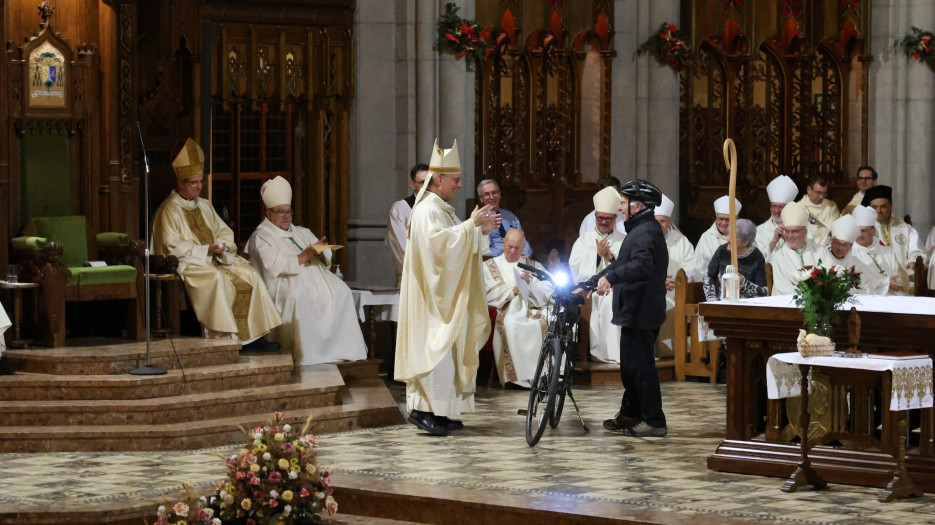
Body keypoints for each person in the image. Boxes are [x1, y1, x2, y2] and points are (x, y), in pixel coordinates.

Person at [395, 139, 499, 437]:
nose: (460, 184)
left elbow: (456, 241)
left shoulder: (443, 209)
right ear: (438, 179)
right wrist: (471, 227)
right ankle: (423, 410)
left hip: (445, 297)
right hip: (432, 301)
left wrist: (479, 231)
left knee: (448, 351)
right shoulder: (427, 209)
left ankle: (443, 411)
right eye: (455, 179)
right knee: (435, 351)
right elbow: (438, 250)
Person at [152, 138, 281, 349]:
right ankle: (225, 340)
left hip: (216, 258)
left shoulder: (204, 205)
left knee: (249, 274)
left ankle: (254, 338)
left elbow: (223, 230)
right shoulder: (168, 210)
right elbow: (170, 246)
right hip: (189, 264)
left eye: (201, 181)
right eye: (194, 183)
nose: (199, 187)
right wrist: (205, 251)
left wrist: (221, 244)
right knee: (217, 278)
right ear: (180, 183)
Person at [246, 176, 368, 366]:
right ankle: (309, 355)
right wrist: (303, 256)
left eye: (289, 212)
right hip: (281, 284)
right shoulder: (261, 237)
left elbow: (323, 257)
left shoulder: (301, 231)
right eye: (280, 212)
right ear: (267, 212)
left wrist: (320, 253)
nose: (286, 217)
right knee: (299, 296)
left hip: (318, 279)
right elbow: (274, 267)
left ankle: (343, 351)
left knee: (342, 292)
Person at [593, 179, 668, 438]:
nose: (620, 208)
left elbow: (642, 266)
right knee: (631, 367)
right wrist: (591, 282)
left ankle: (654, 421)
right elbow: (622, 264)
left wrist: (612, 278)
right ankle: (631, 413)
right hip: (634, 310)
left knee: (642, 367)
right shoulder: (639, 229)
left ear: (637, 206)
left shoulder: (646, 231)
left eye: (624, 203)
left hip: (642, 311)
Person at [482, 229, 553, 388]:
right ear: (503, 243)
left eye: (517, 248)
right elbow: (487, 292)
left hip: (533, 307)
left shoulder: (532, 265)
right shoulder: (489, 266)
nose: (512, 251)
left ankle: (541, 376)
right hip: (506, 308)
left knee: (545, 321)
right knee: (512, 324)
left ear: (523, 248)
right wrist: (514, 289)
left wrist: (530, 285)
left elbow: (550, 287)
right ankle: (516, 378)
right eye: (509, 247)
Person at [569, 186, 626, 363]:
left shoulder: (623, 240)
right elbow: (575, 268)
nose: (603, 222)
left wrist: (609, 257)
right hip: (589, 290)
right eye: (600, 218)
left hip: (615, 288)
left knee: (613, 298)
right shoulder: (584, 240)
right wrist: (596, 256)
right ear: (595, 217)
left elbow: (626, 267)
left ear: (615, 219)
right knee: (605, 299)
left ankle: (616, 353)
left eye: (608, 218)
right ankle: (601, 352)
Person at [654, 193, 700, 357]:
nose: (659, 225)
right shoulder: (644, 239)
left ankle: (669, 354)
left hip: (674, 292)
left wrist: (679, 279)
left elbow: (693, 268)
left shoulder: (681, 242)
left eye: (663, 221)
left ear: (670, 222)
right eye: (656, 221)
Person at [861, 185, 926, 286]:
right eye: (874, 207)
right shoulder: (863, 230)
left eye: (883, 206)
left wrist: (913, 261)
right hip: (876, 280)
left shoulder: (904, 228)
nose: (878, 211)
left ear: (891, 206)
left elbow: (917, 250)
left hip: (903, 277)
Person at [703, 218, 768, 301]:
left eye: (733, 236)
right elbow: (708, 276)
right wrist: (711, 298)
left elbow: (763, 292)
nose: (728, 239)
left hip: (747, 308)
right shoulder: (722, 251)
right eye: (728, 234)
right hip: (723, 304)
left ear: (745, 241)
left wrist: (743, 283)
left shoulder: (757, 256)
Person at [386, 163, 429, 285]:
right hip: (412, 278)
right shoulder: (400, 209)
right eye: (422, 183)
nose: (427, 187)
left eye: (430, 183)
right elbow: (401, 248)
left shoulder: (441, 209)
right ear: (412, 184)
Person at [816, 214, 879, 295]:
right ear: (831, 242)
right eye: (837, 243)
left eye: (844, 245)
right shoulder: (821, 256)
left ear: (851, 246)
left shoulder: (856, 264)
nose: (840, 248)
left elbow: (865, 288)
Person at [850, 205, 905, 295]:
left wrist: (896, 282)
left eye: (864, 231)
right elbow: (859, 283)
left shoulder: (887, 251)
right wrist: (886, 283)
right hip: (868, 300)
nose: (859, 234)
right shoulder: (850, 252)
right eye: (857, 230)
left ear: (873, 231)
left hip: (893, 297)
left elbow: (899, 275)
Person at [769, 201, 820, 296]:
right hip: (787, 308)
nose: (789, 236)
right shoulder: (779, 256)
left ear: (805, 232)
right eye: (786, 231)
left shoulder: (819, 252)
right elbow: (784, 289)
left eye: (794, 231)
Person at [476, 179, 531, 257]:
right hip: (496, 261)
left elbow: (523, 240)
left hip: (518, 258)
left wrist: (526, 253)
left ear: (499, 195)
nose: (491, 197)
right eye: (487, 194)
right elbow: (483, 250)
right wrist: (505, 253)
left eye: (494, 193)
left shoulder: (510, 216)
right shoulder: (479, 220)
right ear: (481, 198)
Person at [755, 175, 799, 260]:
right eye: (774, 206)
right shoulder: (759, 230)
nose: (776, 210)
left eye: (781, 207)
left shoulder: (800, 228)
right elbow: (758, 259)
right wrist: (774, 240)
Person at [695, 195, 742, 271]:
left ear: (736, 219)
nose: (723, 223)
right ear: (716, 217)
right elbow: (700, 269)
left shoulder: (745, 237)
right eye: (720, 219)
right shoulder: (706, 238)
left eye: (727, 219)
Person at [797, 175, 840, 245]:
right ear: (809, 190)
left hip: (828, 248)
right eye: (818, 193)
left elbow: (836, 233)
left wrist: (814, 221)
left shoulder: (831, 206)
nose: (821, 197)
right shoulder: (799, 207)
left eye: (824, 193)